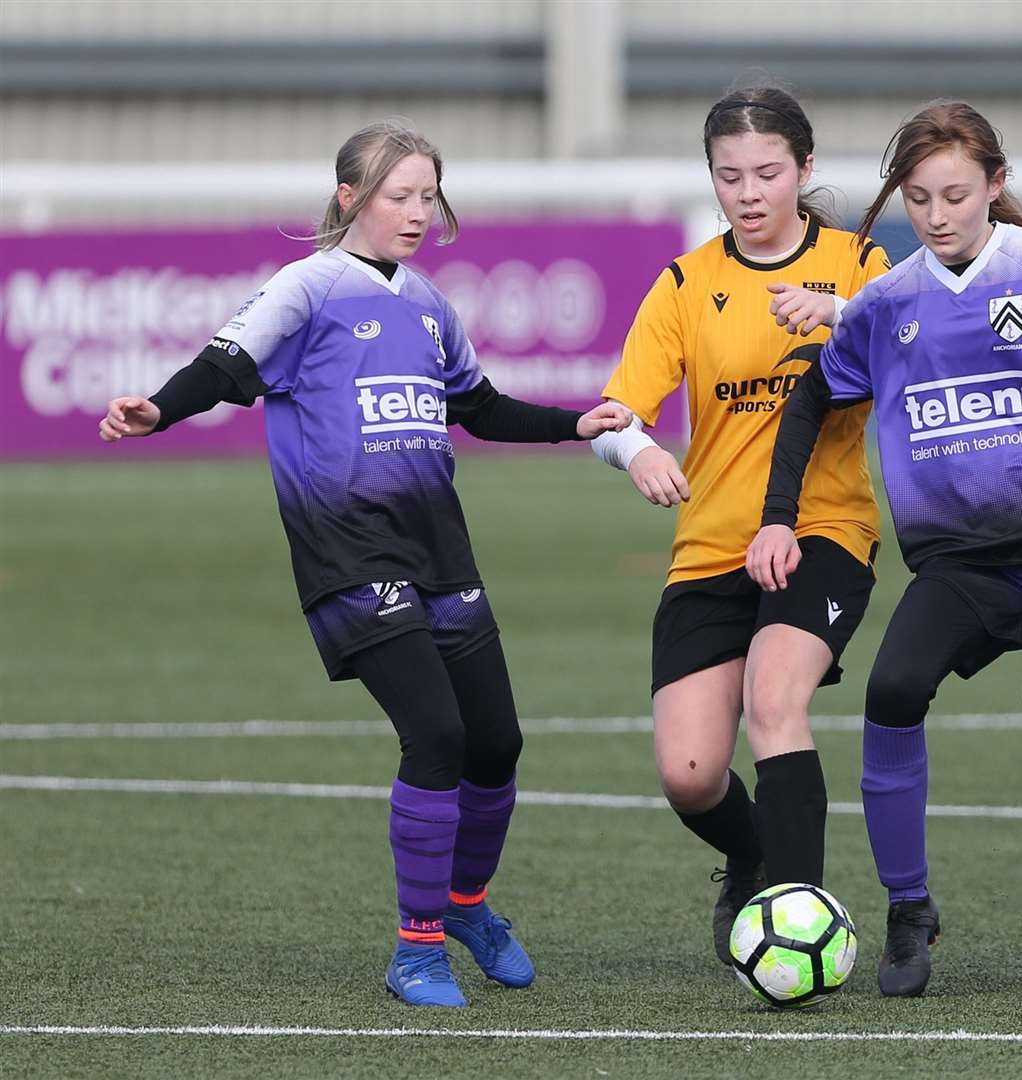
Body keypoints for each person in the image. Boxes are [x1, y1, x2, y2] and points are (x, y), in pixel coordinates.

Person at [97, 121, 631, 1007]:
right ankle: (415, 950)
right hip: (347, 553)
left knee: (497, 743)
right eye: (400, 196)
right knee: (438, 736)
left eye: (429, 196)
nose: (418, 212)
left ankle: (464, 906)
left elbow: (481, 407)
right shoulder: (306, 286)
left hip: (437, 547)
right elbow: (227, 364)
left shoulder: (428, 304)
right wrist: (158, 407)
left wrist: (575, 424)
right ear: (349, 197)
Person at [748, 101, 1022, 1000]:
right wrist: (775, 516)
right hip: (961, 562)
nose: (936, 213)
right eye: (917, 198)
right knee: (890, 691)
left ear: (996, 184)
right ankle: (907, 911)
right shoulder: (886, 303)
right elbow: (809, 400)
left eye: (955, 193)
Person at [589, 85, 889, 966]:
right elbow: (617, 412)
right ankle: (753, 857)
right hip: (711, 542)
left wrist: (841, 315)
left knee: (773, 701)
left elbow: (923, 344)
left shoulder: (860, 261)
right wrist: (634, 451)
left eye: (767, 173)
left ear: (803, 169)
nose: (749, 193)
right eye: (729, 177)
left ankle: (799, 920)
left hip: (824, 528)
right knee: (688, 776)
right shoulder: (687, 283)